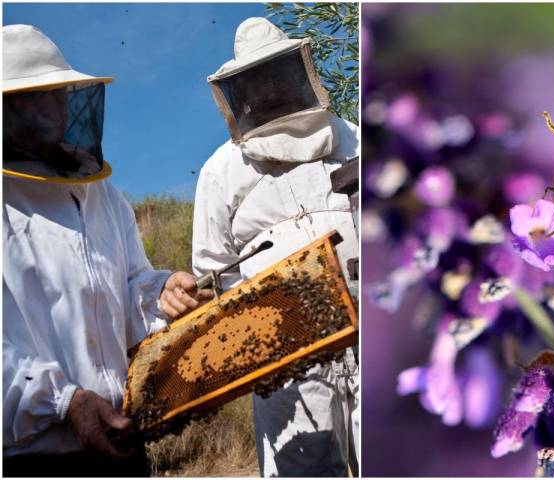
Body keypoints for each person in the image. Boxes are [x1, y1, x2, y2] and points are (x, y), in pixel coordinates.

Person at [2, 24, 212, 476]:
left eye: (59, 92)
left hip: (120, 437)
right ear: (7, 107)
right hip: (30, 458)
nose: (55, 107)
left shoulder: (103, 194)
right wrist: (63, 401)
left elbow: (130, 283)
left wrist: (163, 291)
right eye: (35, 96)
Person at [192, 17, 359, 477]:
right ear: (239, 90)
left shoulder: (351, 136)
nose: (267, 88)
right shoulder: (220, 171)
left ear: (295, 70)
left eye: (274, 73)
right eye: (255, 78)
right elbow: (214, 274)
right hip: (285, 360)